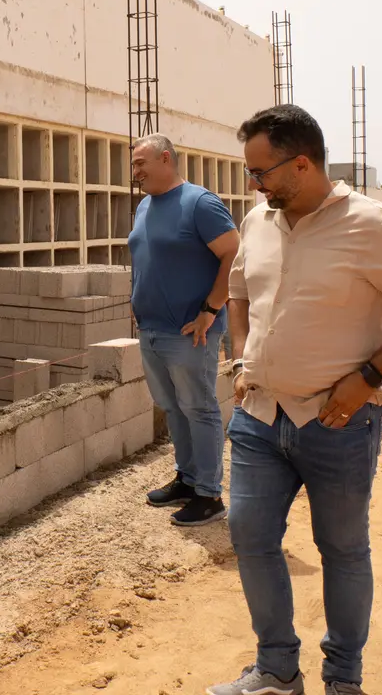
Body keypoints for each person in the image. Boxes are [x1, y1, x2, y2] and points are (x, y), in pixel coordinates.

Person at [208, 104, 382, 695]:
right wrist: (242, 360)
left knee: (342, 549)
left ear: (301, 164)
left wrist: (368, 377)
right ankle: (276, 669)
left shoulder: (374, 226)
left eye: (260, 171)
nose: (253, 184)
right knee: (249, 533)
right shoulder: (259, 221)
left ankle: (343, 679)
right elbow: (238, 293)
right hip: (259, 417)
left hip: (336, 422)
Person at [128, 133, 241, 527]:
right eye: (133, 164)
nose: (135, 171)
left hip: (190, 332)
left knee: (200, 408)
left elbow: (233, 254)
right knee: (174, 408)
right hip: (152, 329)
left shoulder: (200, 202)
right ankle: (188, 479)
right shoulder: (144, 206)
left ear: (165, 159)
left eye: (141, 163)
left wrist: (212, 309)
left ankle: (209, 495)